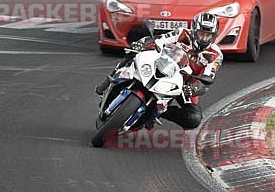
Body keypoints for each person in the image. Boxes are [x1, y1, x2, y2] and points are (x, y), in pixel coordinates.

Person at [95, 12, 223, 129]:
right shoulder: (182, 33)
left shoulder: (216, 55)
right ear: (194, 30)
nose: (204, 38)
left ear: (214, 36)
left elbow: (208, 79)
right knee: (134, 51)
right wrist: (142, 45)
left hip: (185, 85)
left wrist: (194, 89)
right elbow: (159, 40)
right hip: (163, 66)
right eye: (202, 34)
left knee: (193, 118)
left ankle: (158, 112)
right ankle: (111, 79)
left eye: (208, 35)